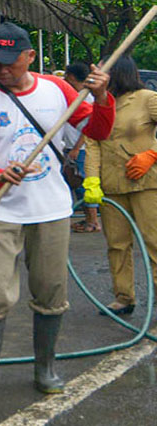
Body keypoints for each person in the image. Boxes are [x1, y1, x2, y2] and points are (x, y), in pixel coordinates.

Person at [0, 22, 115, 400]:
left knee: (51, 290)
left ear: (30, 57)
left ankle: (46, 369)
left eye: (10, 63)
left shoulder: (58, 90)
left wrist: (104, 97)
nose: (2, 71)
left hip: (51, 209)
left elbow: (99, 131)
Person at [83, 55, 157, 316]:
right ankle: (124, 297)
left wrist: (152, 154)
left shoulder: (147, 98)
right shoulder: (100, 104)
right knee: (117, 244)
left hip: (147, 184)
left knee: (154, 242)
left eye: (103, 70)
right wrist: (91, 180)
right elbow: (92, 143)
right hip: (112, 187)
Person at [63, 62, 100, 233]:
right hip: (70, 147)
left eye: (66, 76)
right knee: (76, 183)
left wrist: (77, 148)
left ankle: (93, 221)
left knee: (83, 184)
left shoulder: (88, 98)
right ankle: (87, 219)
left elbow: (89, 127)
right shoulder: (73, 96)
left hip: (82, 149)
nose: (64, 80)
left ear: (71, 77)